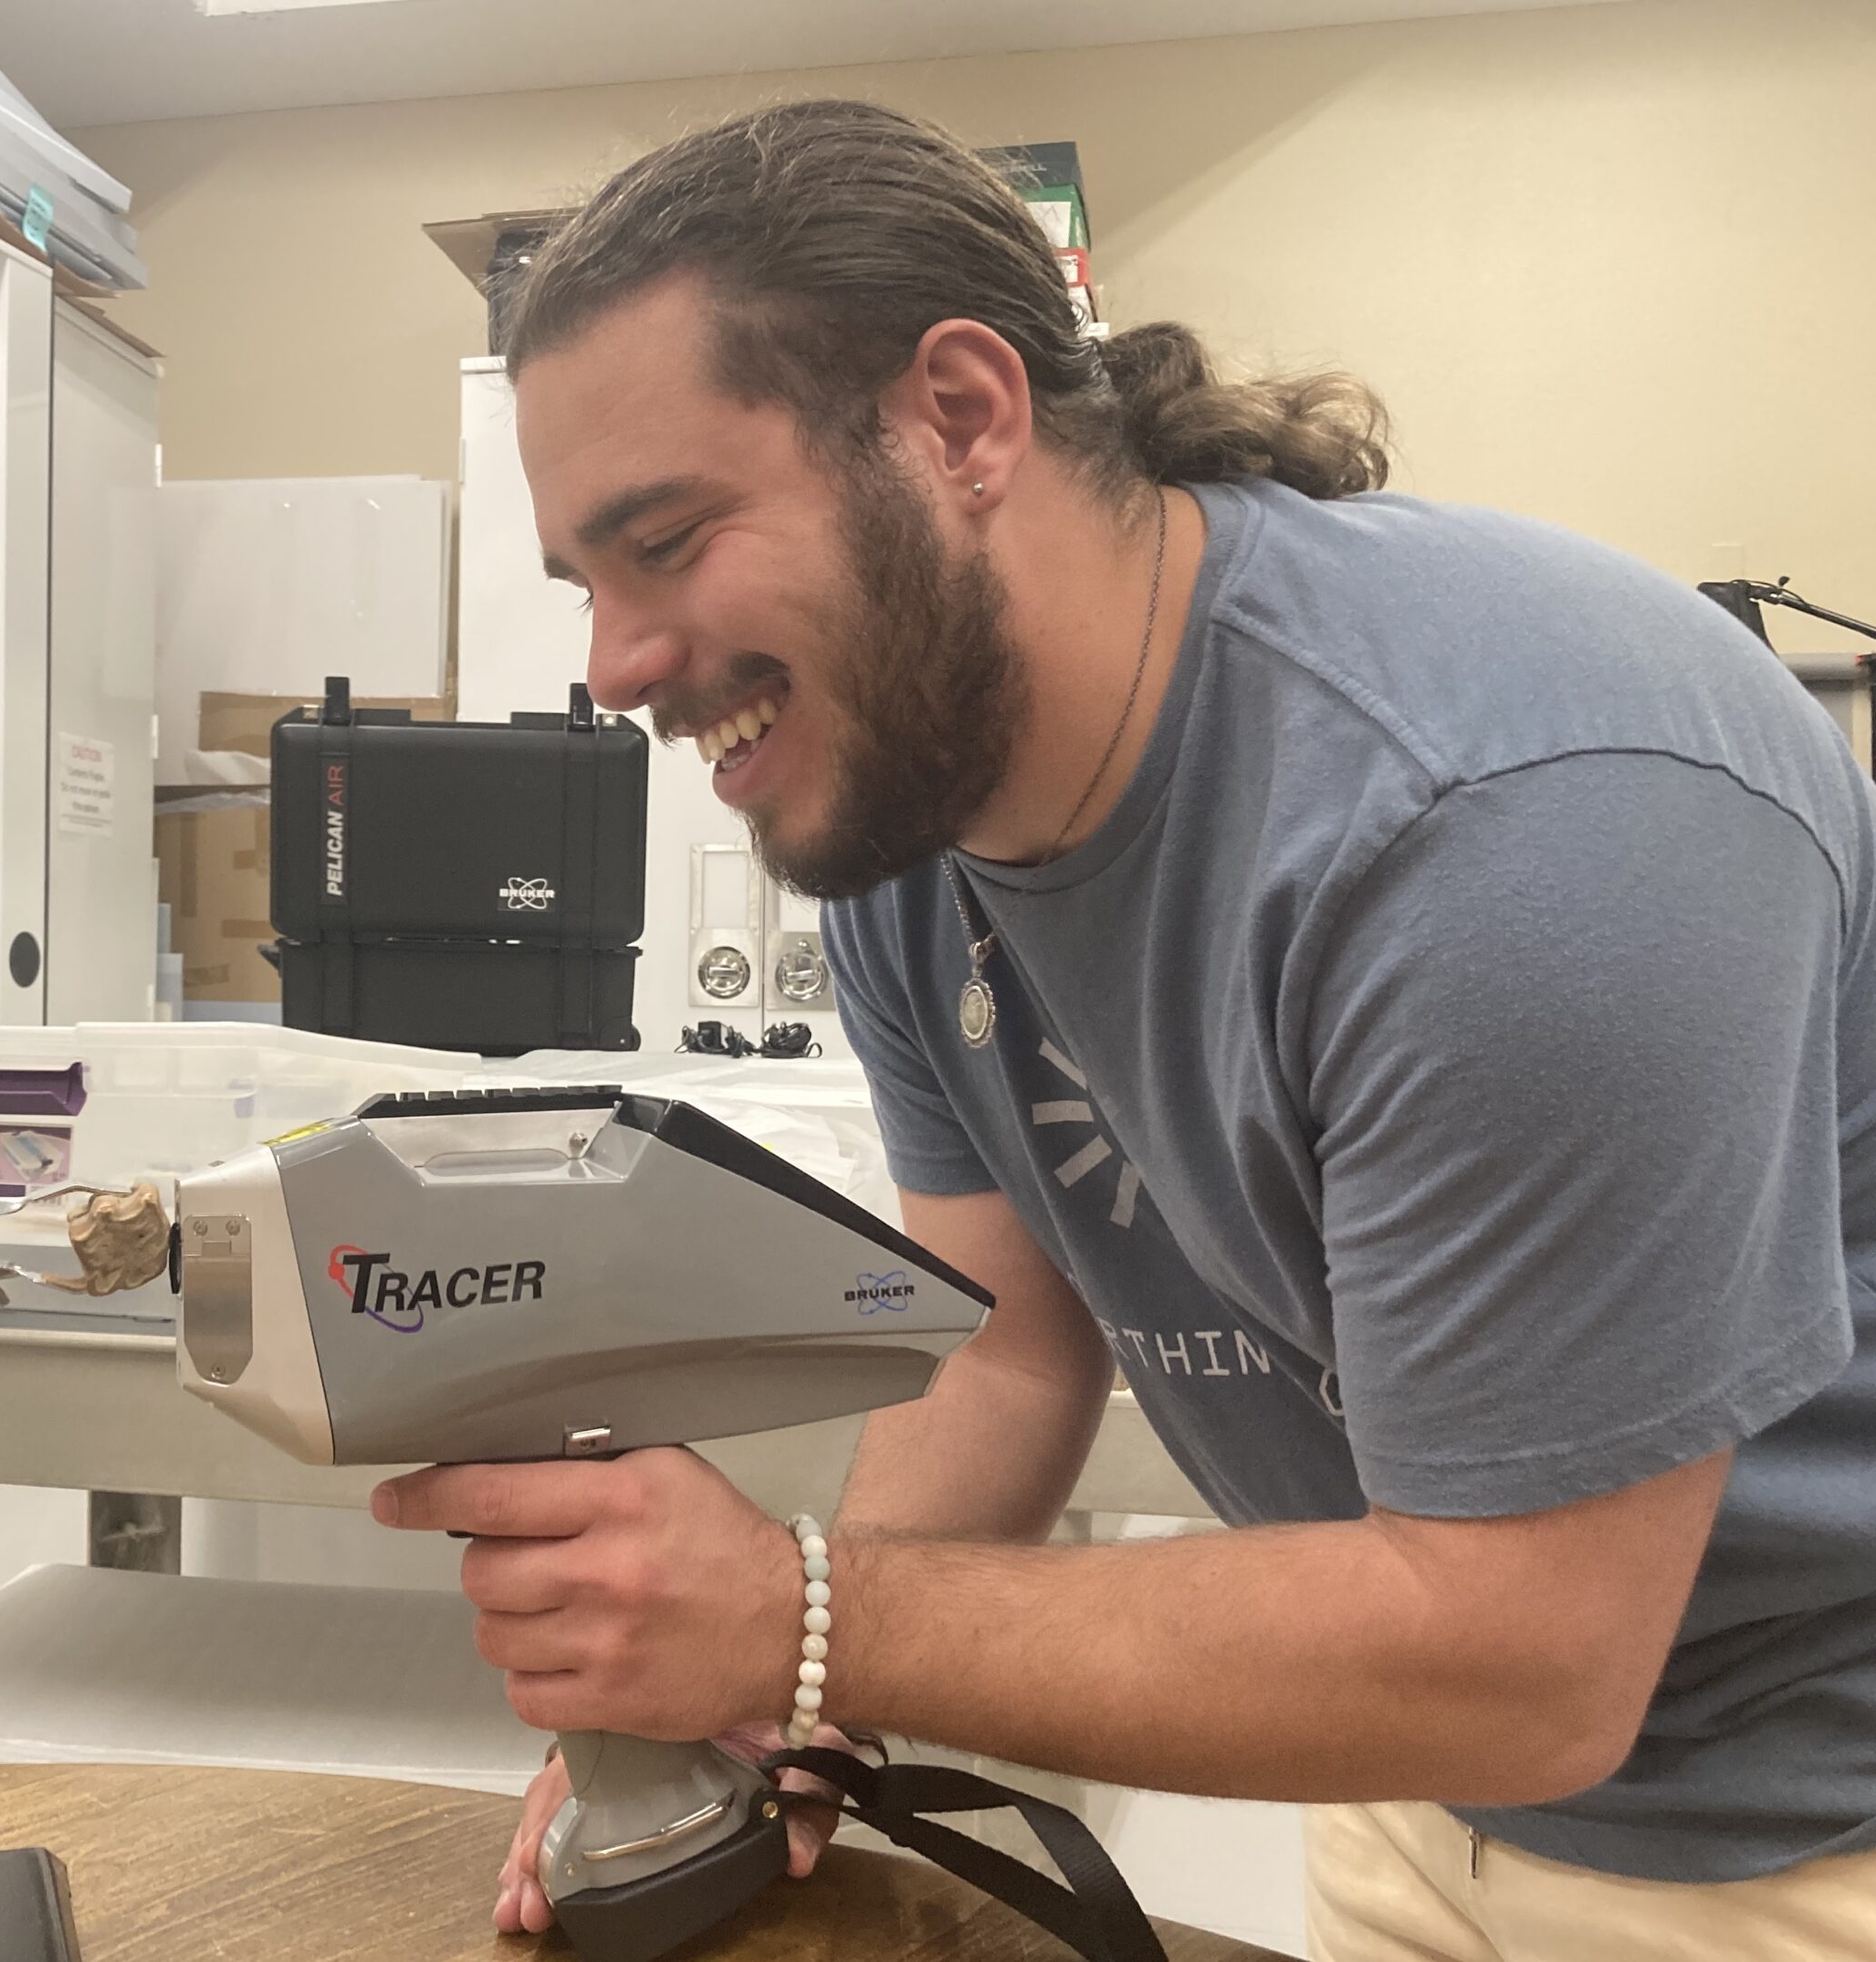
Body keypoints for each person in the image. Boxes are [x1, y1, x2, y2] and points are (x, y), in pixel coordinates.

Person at [369, 100, 1876, 1959]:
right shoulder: (910, 822)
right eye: (583, 587)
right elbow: (1005, 1346)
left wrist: (796, 1609)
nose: (610, 663)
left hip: (1798, 1835)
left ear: (959, 418)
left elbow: (1525, 1655)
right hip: (1419, 1794)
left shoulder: (1507, 815)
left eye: (663, 540)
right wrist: (787, 1708)